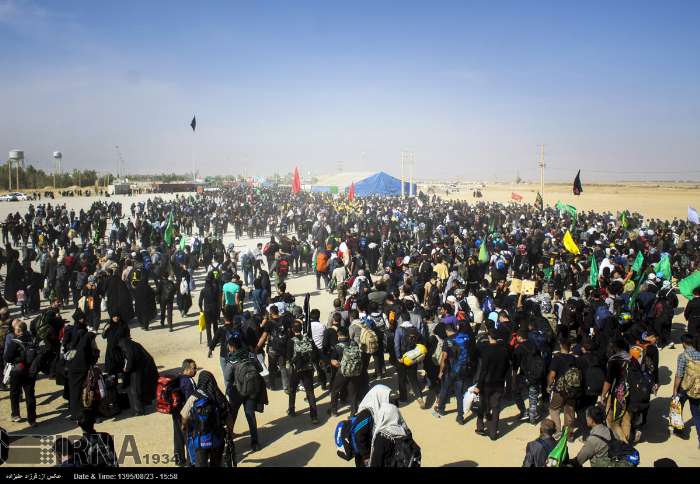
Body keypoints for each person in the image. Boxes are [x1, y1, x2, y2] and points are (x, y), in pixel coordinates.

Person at [351, 384, 419, 468]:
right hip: (366, 456)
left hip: (379, 453)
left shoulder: (384, 411)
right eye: (387, 397)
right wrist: (366, 456)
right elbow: (358, 436)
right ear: (378, 397)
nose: (388, 400)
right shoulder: (365, 414)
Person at [181, 370, 234, 467]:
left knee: (200, 463)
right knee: (216, 463)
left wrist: (184, 426)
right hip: (217, 438)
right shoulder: (219, 396)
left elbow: (184, 416)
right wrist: (230, 432)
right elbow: (228, 417)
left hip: (200, 439)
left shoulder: (194, 396)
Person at [225, 333, 264, 452]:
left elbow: (227, 377)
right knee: (250, 415)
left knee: (232, 415)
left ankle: (229, 438)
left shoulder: (232, 360)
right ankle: (255, 442)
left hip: (237, 392)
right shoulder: (250, 355)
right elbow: (260, 369)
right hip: (251, 390)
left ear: (232, 347)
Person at [474, 328, 510, 440]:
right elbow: (507, 367)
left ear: (489, 337)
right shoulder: (504, 350)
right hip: (499, 382)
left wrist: (478, 386)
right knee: (495, 407)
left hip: (487, 384)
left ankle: (480, 427)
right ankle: (493, 433)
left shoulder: (487, 351)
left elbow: (483, 371)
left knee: (483, 405)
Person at [3, 322, 37, 425]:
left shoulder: (15, 342)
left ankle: (16, 415)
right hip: (30, 371)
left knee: (14, 393)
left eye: (16, 329)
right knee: (30, 395)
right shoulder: (32, 340)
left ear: (19, 331)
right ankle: (32, 419)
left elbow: (7, 357)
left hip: (17, 371)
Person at [547, 336, 579, 440]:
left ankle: (558, 431)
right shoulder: (574, 359)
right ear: (570, 347)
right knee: (569, 411)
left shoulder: (556, 358)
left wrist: (549, 385)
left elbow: (552, 375)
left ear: (561, 345)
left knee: (553, 409)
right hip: (572, 390)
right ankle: (569, 435)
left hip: (559, 390)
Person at [118, 337, 159, 416]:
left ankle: (139, 410)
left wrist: (126, 369)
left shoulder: (127, 347)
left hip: (139, 370)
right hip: (145, 368)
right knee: (141, 387)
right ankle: (144, 403)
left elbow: (130, 360)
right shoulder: (134, 345)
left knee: (135, 390)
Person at [287, 320, 319, 424]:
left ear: (292, 330)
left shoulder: (291, 341)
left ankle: (291, 410)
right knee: (310, 392)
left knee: (292, 390)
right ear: (301, 329)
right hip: (308, 369)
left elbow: (288, 357)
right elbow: (315, 352)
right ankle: (314, 416)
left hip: (297, 370)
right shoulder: (308, 339)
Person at [672, 333, 700, 447]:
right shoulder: (699, 354)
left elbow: (679, 375)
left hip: (684, 388)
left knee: (676, 408)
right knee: (697, 414)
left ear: (683, 343)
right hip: (697, 388)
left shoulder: (683, 356)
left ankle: (679, 431)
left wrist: (675, 390)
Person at [173, 359, 198, 467]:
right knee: (189, 436)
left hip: (175, 413)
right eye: (194, 368)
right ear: (187, 369)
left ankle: (179, 459)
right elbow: (190, 401)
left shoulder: (177, 378)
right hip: (185, 414)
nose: (196, 370)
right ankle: (190, 462)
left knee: (178, 436)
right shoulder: (189, 381)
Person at [199, 273, 221, 347]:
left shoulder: (203, 290)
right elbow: (218, 300)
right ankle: (216, 339)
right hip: (214, 309)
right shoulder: (216, 289)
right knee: (215, 325)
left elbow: (199, 302)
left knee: (208, 326)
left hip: (207, 310)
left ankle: (209, 342)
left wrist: (201, 309)